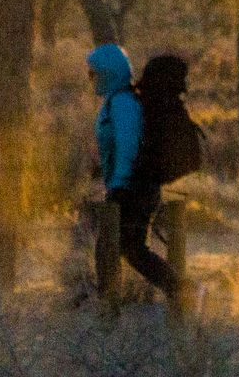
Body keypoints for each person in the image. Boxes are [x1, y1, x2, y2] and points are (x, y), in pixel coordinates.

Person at [87, 43, 181, 301]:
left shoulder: (123, 103)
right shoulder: (117, 100)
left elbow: (128, 144)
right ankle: (113, 305)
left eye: (94, 73)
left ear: (108, 73)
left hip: (133, 189)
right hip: (132, 186)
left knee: (125, 249)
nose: (91, 78)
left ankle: (183, 292)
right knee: (124, 249)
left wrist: (118, 184)